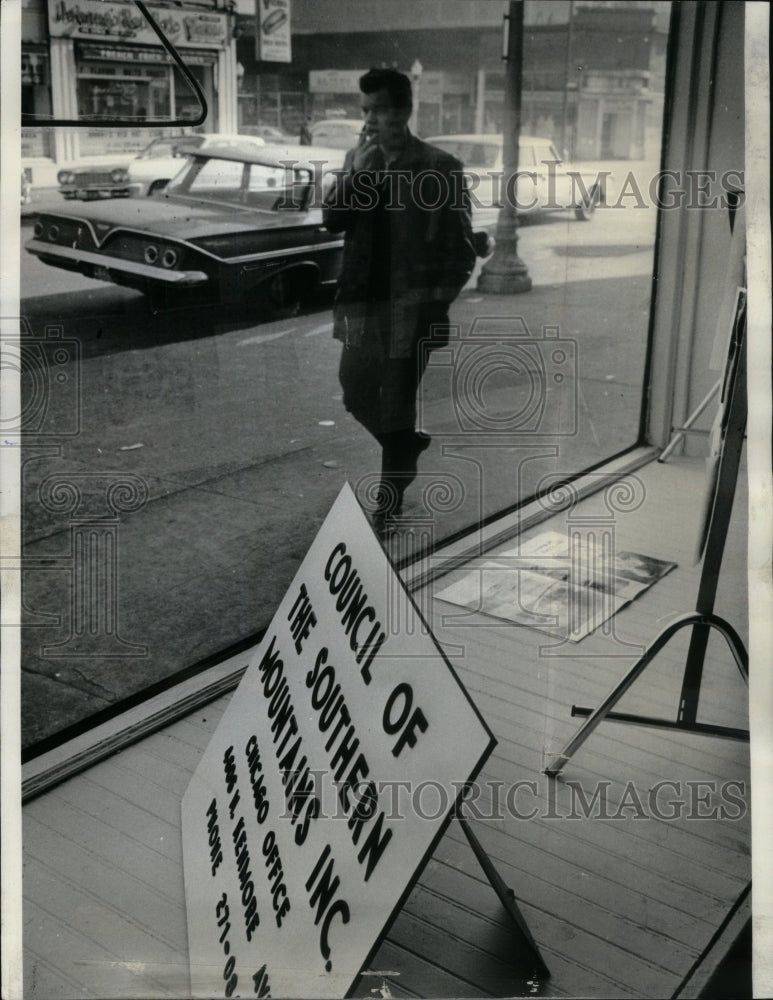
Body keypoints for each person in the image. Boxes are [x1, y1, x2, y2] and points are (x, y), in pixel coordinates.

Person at [322, 67, 476, 534]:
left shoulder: (439, 167)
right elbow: (333, 220)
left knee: (396, 406)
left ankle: (387, 504)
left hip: (412, 310)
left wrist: (433, 305)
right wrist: (357, 174)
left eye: (382, 109)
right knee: (354, 390)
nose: (371, 120)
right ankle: (406, 447)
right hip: (363, 305)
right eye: (365, 110)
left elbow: (462, 251)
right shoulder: (359, 158)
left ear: (406, 111)